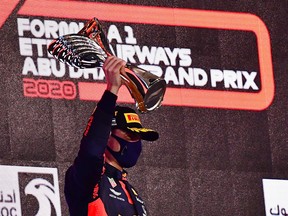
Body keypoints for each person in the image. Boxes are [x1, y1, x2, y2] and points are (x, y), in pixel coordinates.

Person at [64, 56, 159, 215]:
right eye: (129, 134)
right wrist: (112, 88)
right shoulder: (88, 179)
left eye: (138, 137)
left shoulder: (134, 195)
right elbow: (92, 151)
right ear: (107, 136)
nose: (135, 141)